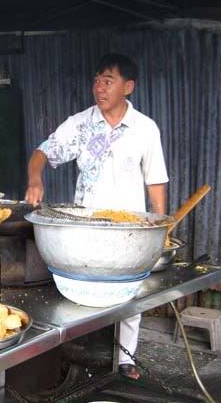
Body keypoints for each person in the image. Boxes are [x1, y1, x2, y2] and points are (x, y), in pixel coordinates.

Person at [25, 53, 168, 380]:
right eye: (96, 81)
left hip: (128, 230)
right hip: (85, 229)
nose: (99, 88)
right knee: (83, 292)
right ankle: (77, 354)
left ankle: (126, 358)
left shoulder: (145, 129)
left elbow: (155, 180)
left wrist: (161, 226)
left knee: (129, 291)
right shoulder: (82, 124)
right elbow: (42, 151)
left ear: (128, 87)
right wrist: (36, 177)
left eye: (108, 81)